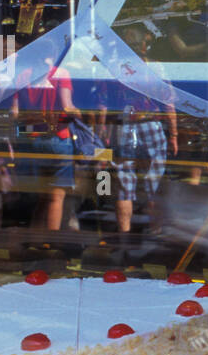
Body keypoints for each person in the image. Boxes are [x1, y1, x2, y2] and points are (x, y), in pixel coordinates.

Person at [97, 33, 178, 233]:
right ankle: (155, 231)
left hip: (121, 129)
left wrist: (102, 134)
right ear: (143, 45)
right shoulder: (155, 66)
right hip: (151, 125)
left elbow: (103, 107)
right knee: (153, 182)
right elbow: (168, 101)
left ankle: (125, 234)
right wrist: (174, 134)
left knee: (124, 186)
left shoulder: (112, 69)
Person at [10, 54, 81, 231]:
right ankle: (50, 243)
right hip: (57, 137)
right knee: (55, 197)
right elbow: (67, 107)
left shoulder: (23, 75)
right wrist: (83, 112)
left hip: (32, 138)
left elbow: (14, 113)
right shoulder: (61, 73)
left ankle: (36, 240)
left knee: (43, 196)